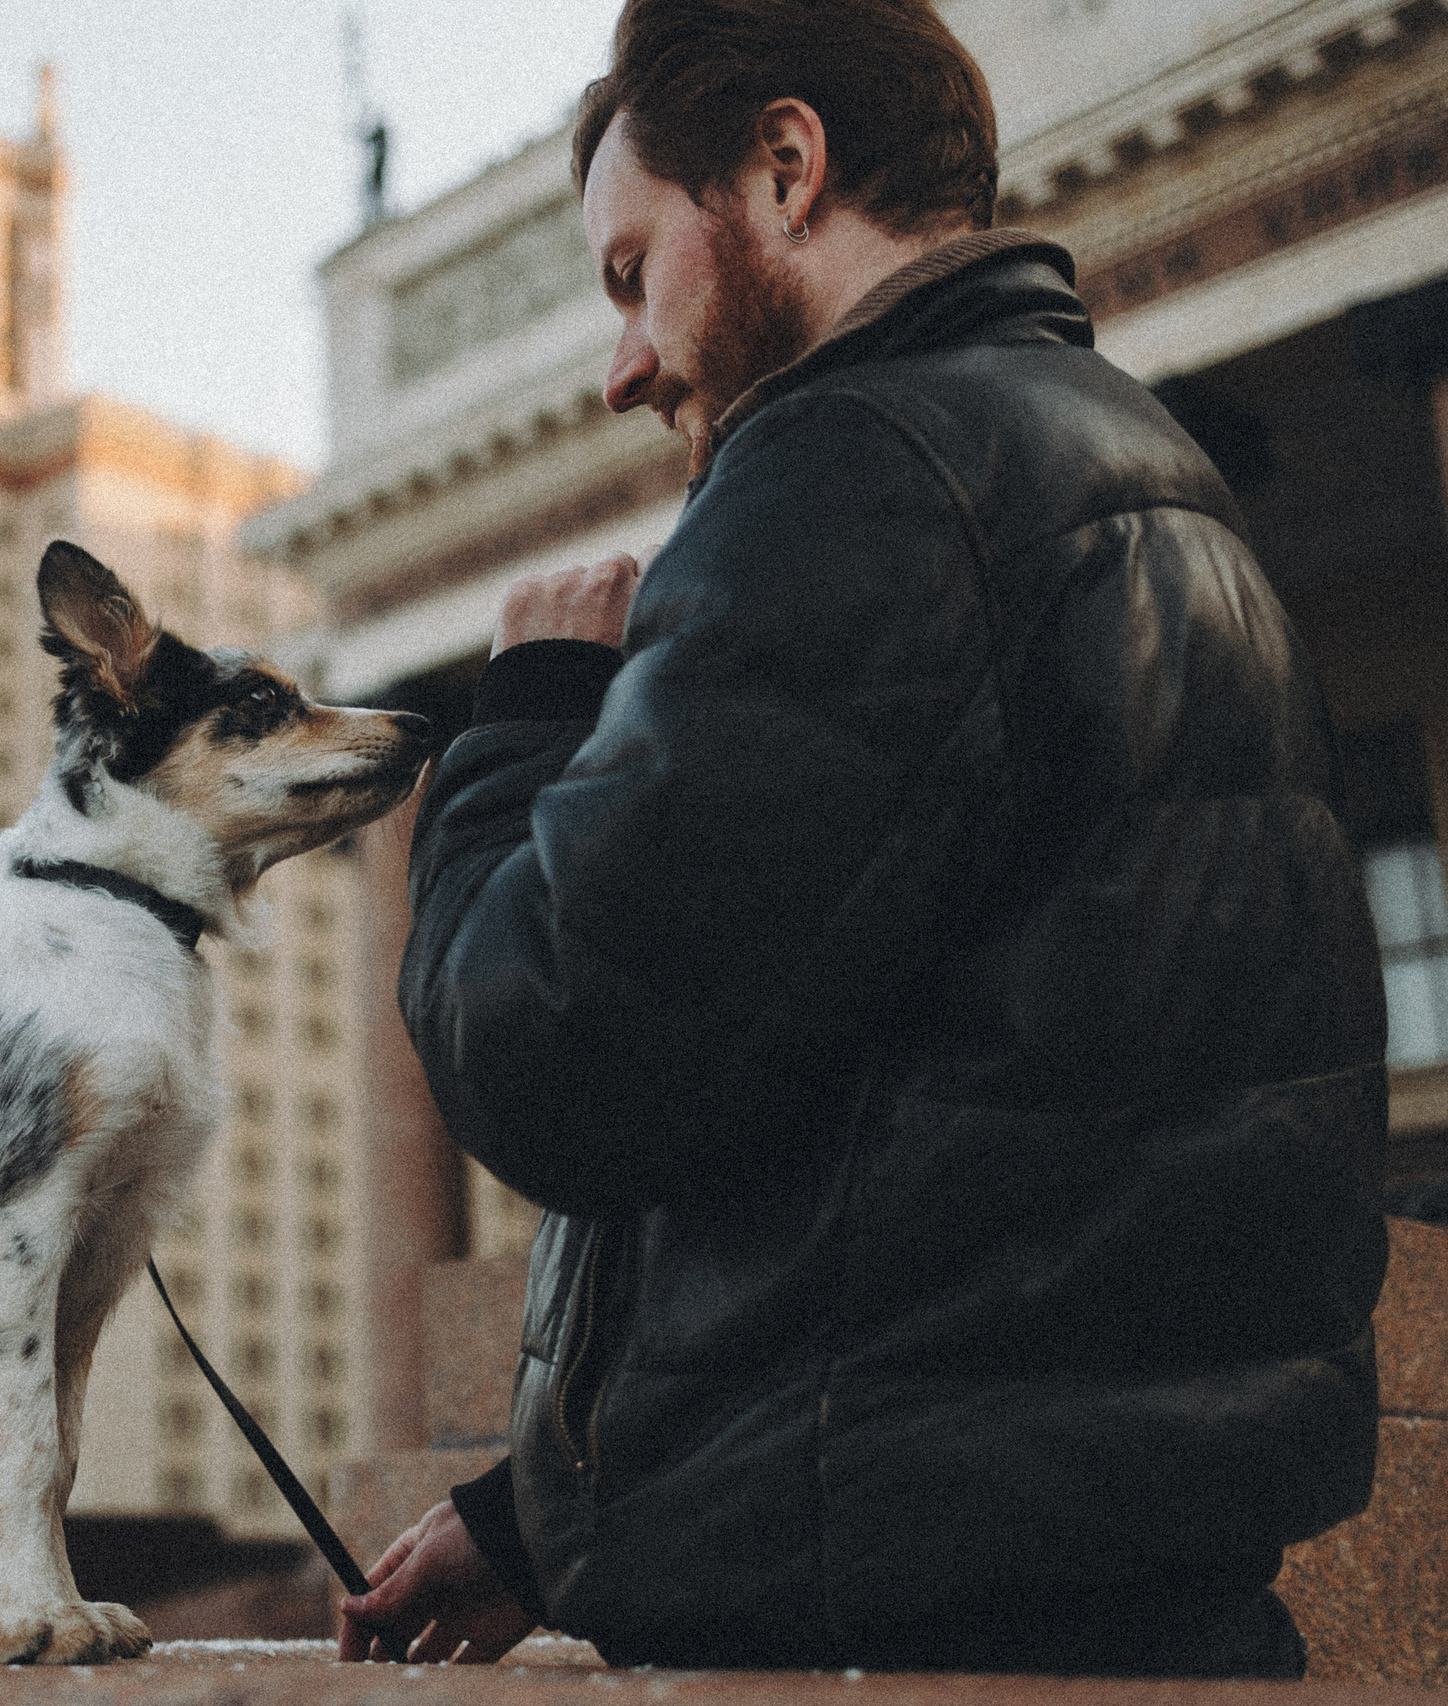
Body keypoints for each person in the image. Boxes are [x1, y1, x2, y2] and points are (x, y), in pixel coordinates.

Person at [340, 0, 1390, 1679]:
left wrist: (522, 719)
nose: (622, 368)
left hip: (910, 1631)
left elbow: (551, 1060)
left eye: (630, 277)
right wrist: (552, 1515)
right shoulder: (1141, 465)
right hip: (1116, 1586)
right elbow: (946, 1128)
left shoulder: (853, 470)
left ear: (782, 168)